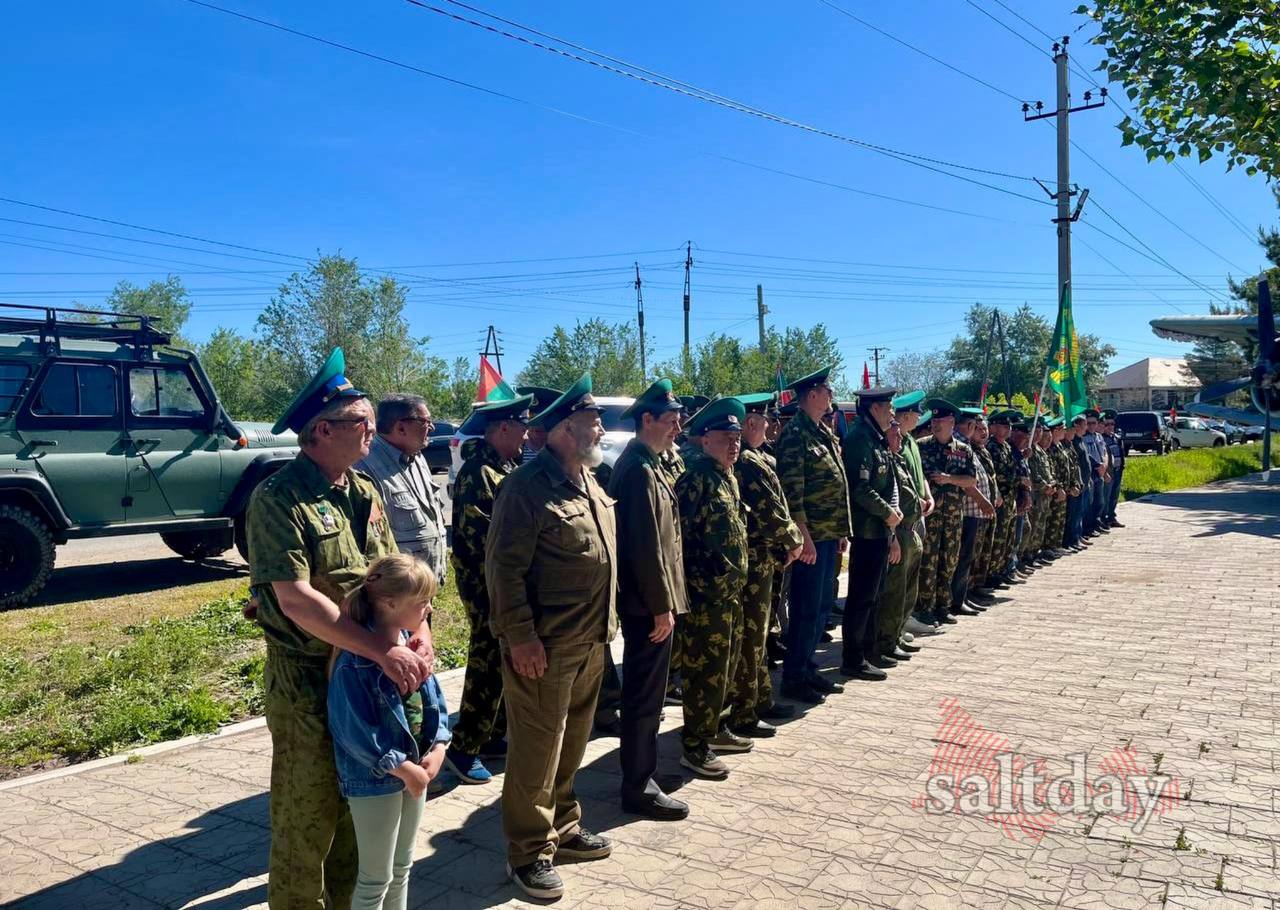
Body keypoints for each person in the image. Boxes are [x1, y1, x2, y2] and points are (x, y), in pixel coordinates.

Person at [246, 348, 430, 909]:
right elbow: (296, 599)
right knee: (308, 820)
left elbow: (391, 577)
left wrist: (418, 634)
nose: (374, 432)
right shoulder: (279, 498)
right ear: (322, 430)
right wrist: (382, 650)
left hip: (366, 675)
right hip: (306, 680)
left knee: (364, 812)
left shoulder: (364, 491)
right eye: (363, 423)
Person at [485, 374, 617, 902]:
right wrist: (520, 638)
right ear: (564, 428)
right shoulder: (526, 487)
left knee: (572, 744)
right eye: (593, 420)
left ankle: (563, 827)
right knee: (536, 754)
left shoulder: (589, 480)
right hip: (544, 646)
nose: (602, 428)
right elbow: (504, 570)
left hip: (590, 641)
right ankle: (527, 853)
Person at [327, 554, 450, 910]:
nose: (430, 607)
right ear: (390, 603)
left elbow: (435, 701)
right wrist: (403, 768)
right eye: (423, 601)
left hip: (415, 773)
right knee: (375, 878)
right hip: (375, 781)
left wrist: (439, 746)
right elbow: (353, 731)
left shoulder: (411, 646)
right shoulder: (355, 662)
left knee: (402, 868)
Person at [608, 379, 690, 820]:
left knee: (651, 696)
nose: (677, 429)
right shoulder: (637, 468)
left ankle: (645, 773)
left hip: (656, 602)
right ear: (647, 421)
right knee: (644, 697)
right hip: (647, 606)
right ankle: (637, 785)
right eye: (671, 421)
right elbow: (644, 547)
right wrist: (662, 605)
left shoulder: (649, 463)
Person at [443, 395, 535, 785]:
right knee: (487, 662)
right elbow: (483, 539)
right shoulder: (479, 472)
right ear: (502, 429)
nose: (527, 434)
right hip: (485, 585)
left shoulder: (505, 466)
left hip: (501, 583)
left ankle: (493, 734)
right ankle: (464, 748)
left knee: (502, 660)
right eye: (522, 426)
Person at [675, 397, 752, 778]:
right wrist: (699, 586)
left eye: (737, 438)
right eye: (725, 437)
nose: (734, 444)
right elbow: (681, 541)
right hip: (706, 597)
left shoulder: (727, 476)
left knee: (727, 666)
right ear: (705, 440)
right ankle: (694, 745)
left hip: (730, 593)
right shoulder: (696, 480)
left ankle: (716, 728)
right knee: (704, 671)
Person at [727, 392, 802, 734]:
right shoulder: (746, 461)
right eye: (762, 422)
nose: (769, 426)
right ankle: (745, 711)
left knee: (762, 633)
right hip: (756, 560)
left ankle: (760, 700)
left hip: (766, 559)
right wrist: (793, 540)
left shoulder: (757, 456)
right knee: (752, 637)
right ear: (751, 424)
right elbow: (770, 511)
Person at [775, 368, 851, 705]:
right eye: (826, 389)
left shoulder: (822, 432)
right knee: (805, 608)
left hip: (826, 534)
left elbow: (837, 485)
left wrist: (839, 532)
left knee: (820, 607)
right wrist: (803, 535)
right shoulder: (796, 435)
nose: (831, 393)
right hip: (810, 537)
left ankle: (807, 668)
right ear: (812, 394)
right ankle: (793, 677)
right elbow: (793, 491)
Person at [839, 386, 902, 679]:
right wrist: (887, 513)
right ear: (874, 408)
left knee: (872, 595)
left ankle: (867, 651)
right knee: (861, 597)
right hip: (866, 531)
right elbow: (859, 488)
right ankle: (853, 659)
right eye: (888, 407)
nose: (892, 412)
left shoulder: (875, 439)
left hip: (879, 529)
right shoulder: (859, 439)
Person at [356, 395, 450, 589]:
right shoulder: (364, 466)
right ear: (400, 427)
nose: (431, 428)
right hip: (395, 594)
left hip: (423, 587)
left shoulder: (417, 457)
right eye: (425, 422)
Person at [916, 399, 979, 627]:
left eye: (940, 421)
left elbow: (972, 479)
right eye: (933, 420)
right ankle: (924, 608)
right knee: (928, 563)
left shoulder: (963, 450)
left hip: (953, 516)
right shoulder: (921, 446)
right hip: (930, 516)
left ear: (952, 422)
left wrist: (950, 479)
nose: (935, 424)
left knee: (949, 561)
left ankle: (943, 606)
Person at [872, 417, 926, 659]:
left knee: (908, 591)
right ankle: (885, 642)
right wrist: (892, 536)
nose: (900, 438)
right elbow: (889, 499)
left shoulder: (899, 459)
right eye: (895, 434)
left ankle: (895, 636)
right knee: (893, 592)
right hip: (898, 532)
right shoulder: (885, 461)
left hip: (911, 530)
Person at [950, 411, 995, 616]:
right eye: (974, 426)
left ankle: (963, 596)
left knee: (969, 557)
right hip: (967, 510)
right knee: (963, 557)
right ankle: (957, 599)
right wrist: (982, 501)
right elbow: (966, 481)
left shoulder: (967, 445)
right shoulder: (959, 446)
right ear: (968, 426)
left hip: (973, 511)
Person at [1101, 411, 1126, 527]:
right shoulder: (1101, 439)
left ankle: (1112, 517)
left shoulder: (1116, 438)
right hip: (1108, 472)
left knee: (1114, 496)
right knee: (1106, 495)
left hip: (1118, 470)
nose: (1110, 427)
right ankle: (1104, 518)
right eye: (1107, 425)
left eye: (1112, 424)